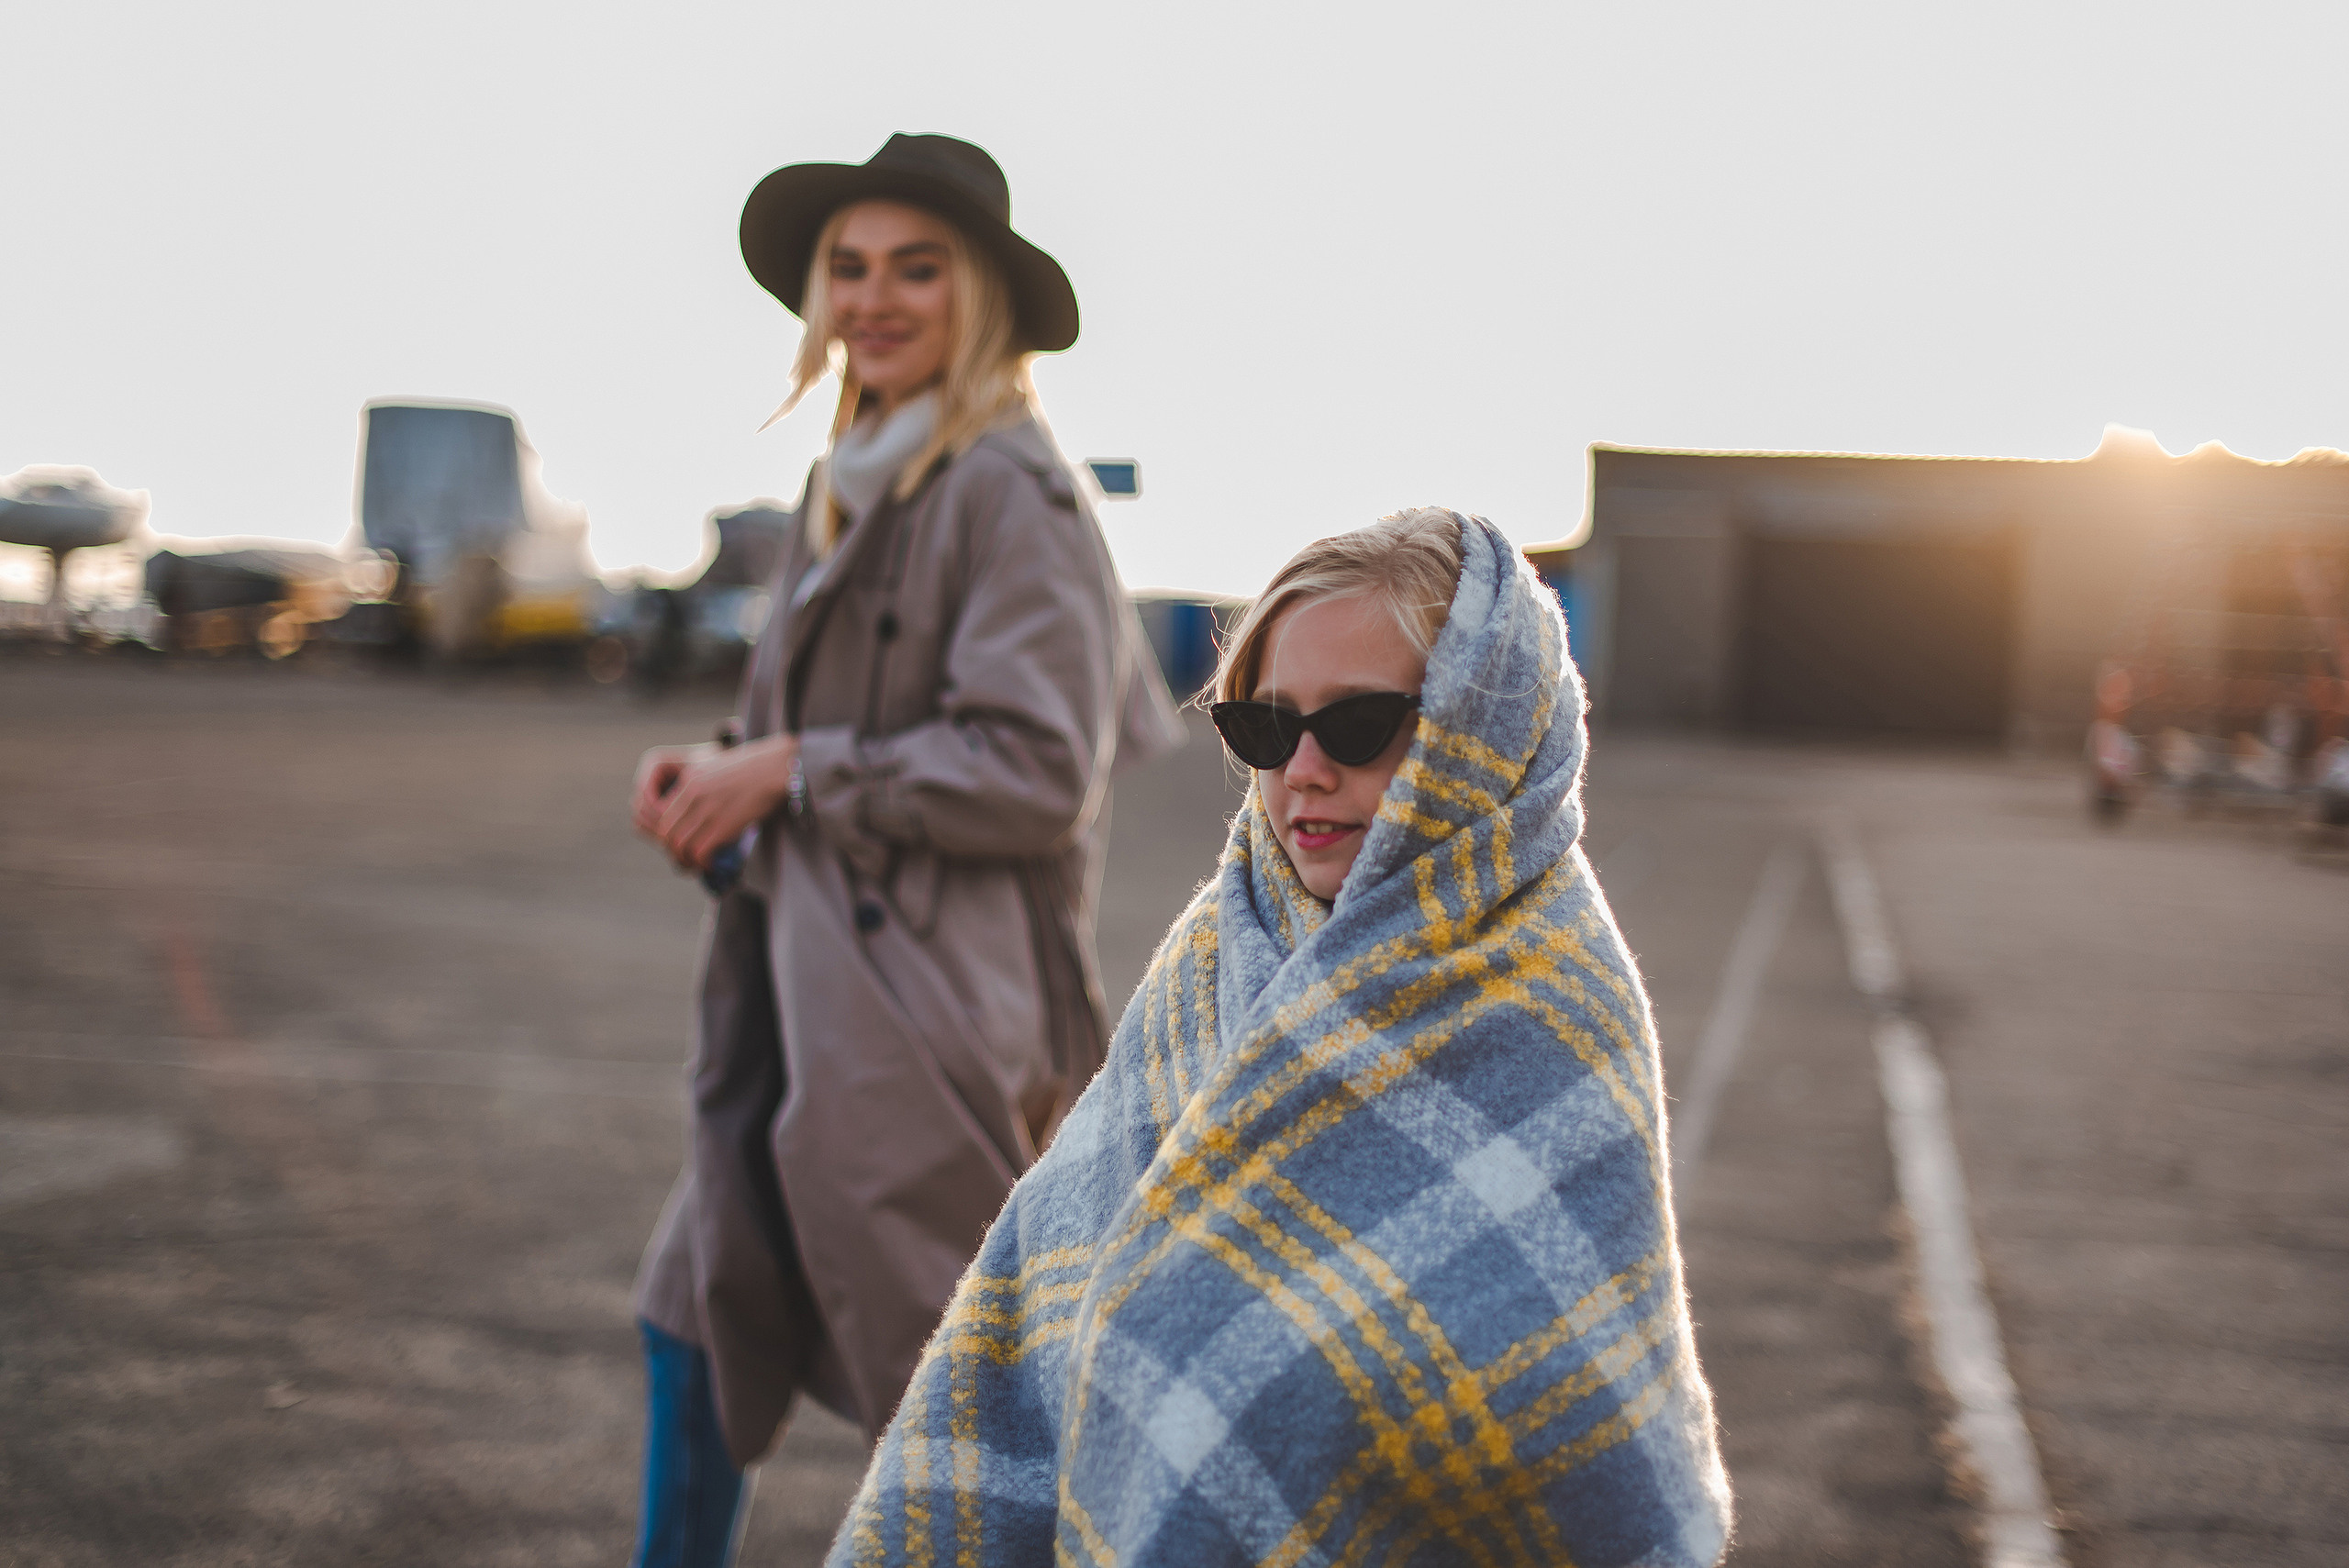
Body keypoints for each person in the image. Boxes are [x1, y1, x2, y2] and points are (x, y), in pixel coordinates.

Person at [830, 509, 1733, 1566]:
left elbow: (1575, 1417)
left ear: (1475, 731)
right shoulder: (1220, 946)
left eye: (1358, 726)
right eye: (1263, 727)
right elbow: (1040, 1288)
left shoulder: (1551, 1001)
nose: (1302, 768)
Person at [625, 133, 1183, 1568]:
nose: (874, 299)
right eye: (849, 268)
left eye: (915, 268)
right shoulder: (851, 479)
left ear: (979, 296)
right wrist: (719, 790)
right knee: (691, 1315)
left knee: (949, 1410)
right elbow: (805, 751)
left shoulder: (1012, 488)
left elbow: (1038, 769)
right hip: (799, 991)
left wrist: (794, 770)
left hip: (929, 1021)